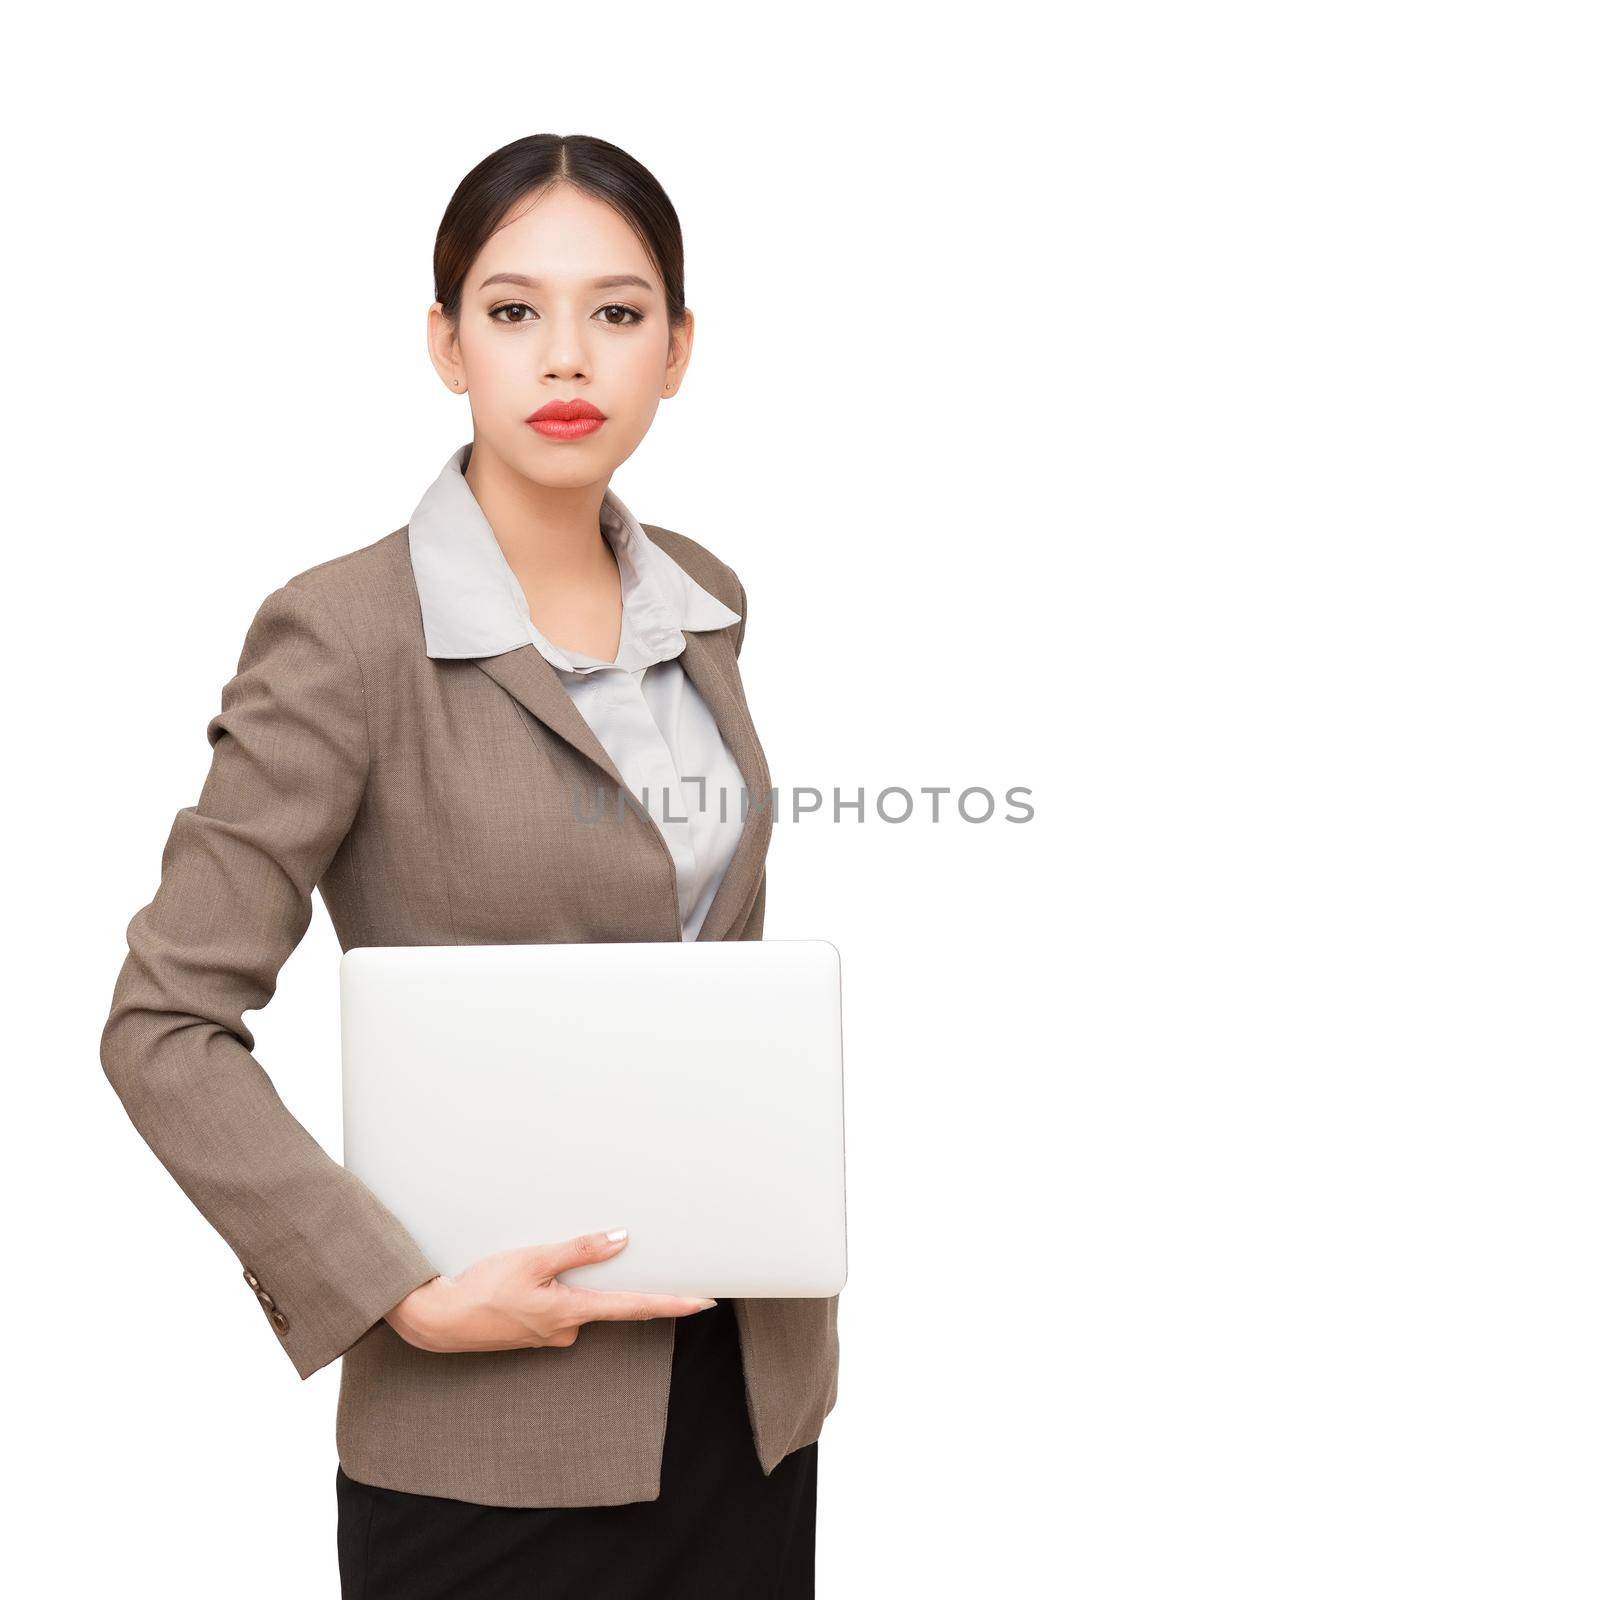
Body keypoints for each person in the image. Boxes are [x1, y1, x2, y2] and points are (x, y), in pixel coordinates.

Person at [99, 132, 838, 1599]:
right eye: (513, 311)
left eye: (619, 313)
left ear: (679, 350)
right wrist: (395, 1294)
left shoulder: (704, 602)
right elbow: (163, 1027)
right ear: (446, 344)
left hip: (746, 1401)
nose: (568, 354)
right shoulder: (345, 634)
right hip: (493, 1433)